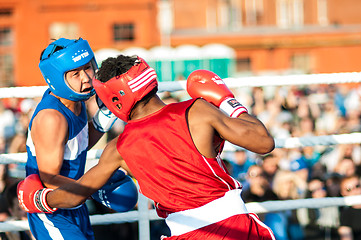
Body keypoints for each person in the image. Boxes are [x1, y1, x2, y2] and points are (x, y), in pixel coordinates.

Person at [18, 55, 275, 239]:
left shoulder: (119, 148)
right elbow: (264, 142)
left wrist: (40, 199)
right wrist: (227, 101)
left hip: (184, 233)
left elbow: (76, 194)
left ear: (115, 100)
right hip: (239, 227)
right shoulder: (197, 111)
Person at [17, 39, 137, 240]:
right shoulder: (51, 118)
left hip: (75, 201)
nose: (86, 78)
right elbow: (49, 179)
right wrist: (95, 187)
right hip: (53, 209)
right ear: (56, 78)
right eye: (75, 73)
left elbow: (78, 145)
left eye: (88, 68)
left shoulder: (76, 102)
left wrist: (104, 116)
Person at [338, 174, 361, 240]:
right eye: (349, 189)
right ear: (343, 193)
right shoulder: (345, 214)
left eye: (357, 186)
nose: (355, 191)